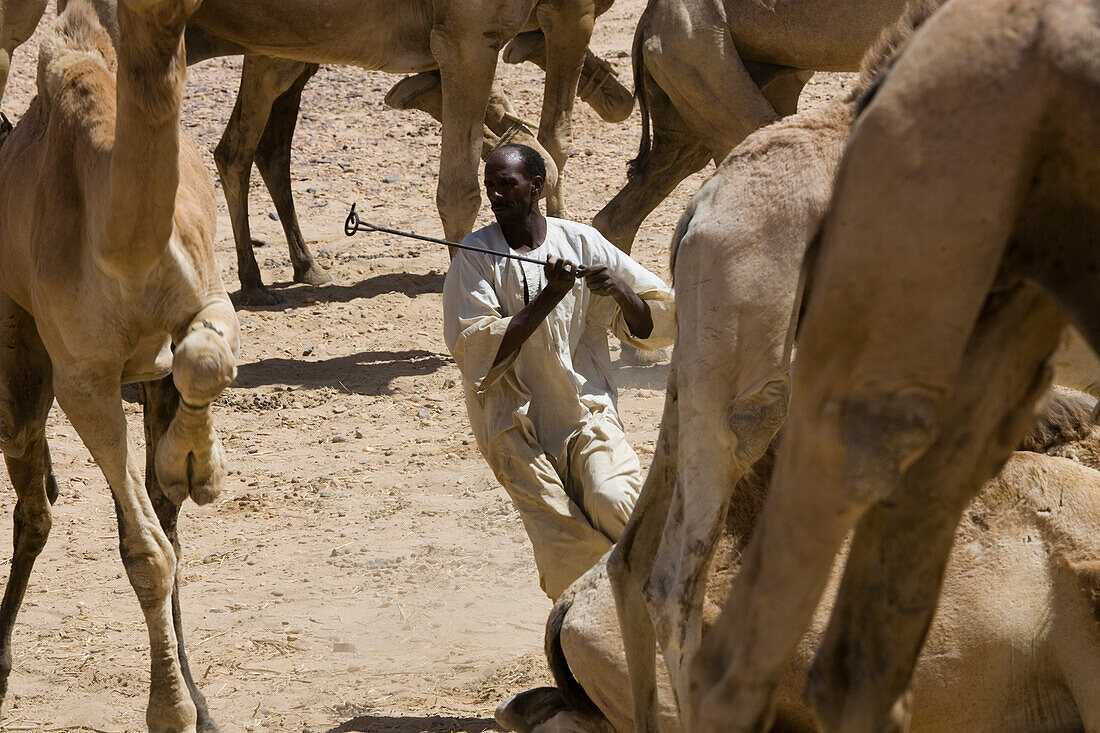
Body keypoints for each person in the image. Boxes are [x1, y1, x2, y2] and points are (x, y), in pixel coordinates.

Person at [443, 144, 675, 599]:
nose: (494, 194)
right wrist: (552, 294)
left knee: (617, 503)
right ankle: (599, 628)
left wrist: (621, 292)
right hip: (513, 425)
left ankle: (665, 596)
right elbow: (476, 350)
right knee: (563, 541)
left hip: (586, 411)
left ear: (536, 186)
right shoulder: (473, 255)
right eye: (489, 184)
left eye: (505, 184)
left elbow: (658, 322)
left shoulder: (581, 241)